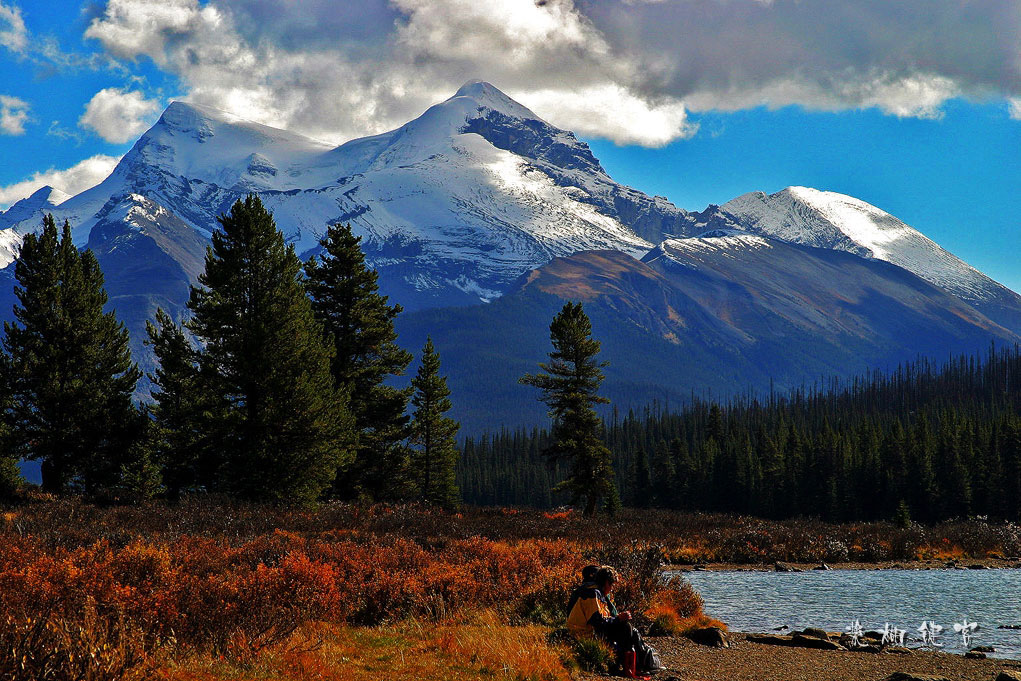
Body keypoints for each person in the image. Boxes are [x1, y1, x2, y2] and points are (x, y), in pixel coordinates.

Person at [566, 565, 664, 675]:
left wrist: (617, 619)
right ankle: (639, 665)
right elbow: (598, 623)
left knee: (628, 629)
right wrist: (617, 619)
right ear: (607, 582)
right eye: (612, 585)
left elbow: (601, 620)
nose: (612, 589)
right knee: (625, 628)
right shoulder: (592, 594)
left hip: (587, 633)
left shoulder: (593, 592)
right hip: (584, 636)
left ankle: (638, 664)